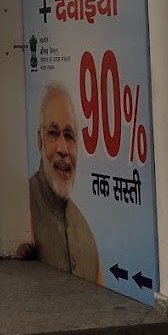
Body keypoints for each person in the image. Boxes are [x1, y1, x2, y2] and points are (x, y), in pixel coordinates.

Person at [28, 83, 102, 282]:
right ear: (40, 141)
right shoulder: (22, 208)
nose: (62, 149)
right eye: (53, 133)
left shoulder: (87, 235)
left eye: (69, 136)